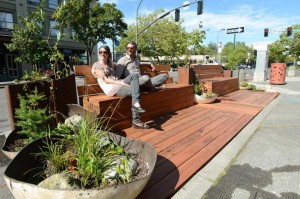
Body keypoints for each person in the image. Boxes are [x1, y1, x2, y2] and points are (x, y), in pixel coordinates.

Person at [92, 45, 149, 129]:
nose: (102, 54)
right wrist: (121, 83)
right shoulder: (96, 66)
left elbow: (120, 64)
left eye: (105, 52)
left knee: (134, 75)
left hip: (118, 83)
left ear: (108, 54)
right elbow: (106, 80)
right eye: (100, 52)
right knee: (134, 90)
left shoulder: (110, 63)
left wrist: (149, 64)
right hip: (111, 88)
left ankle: (137, 103)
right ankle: (136, 121)